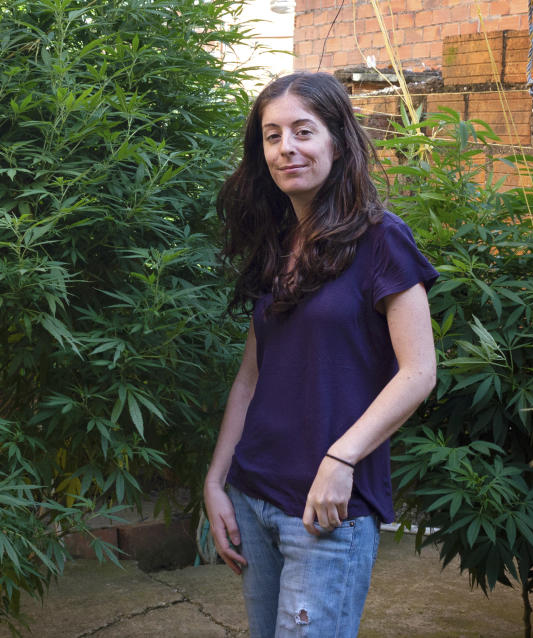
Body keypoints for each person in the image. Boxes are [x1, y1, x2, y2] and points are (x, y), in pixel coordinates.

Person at [202, 72, 439, 637]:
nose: (287, 148)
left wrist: (342, 460)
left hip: (325, 508)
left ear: (338, 138)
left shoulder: (383, 239)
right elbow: (250, 377)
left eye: (303, 131)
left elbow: (419, 372)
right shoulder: (279, 242)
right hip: (254, 492)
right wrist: (216, 480)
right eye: (272, 135)